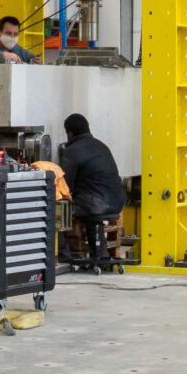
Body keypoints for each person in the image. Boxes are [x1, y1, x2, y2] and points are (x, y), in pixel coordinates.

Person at [57, 113, 126, 264]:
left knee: (56, 211)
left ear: (70, 133)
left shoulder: (72, 151)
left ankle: (62, 254)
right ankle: (99, 253)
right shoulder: (102, 146)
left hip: (96, 204)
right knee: (90, 206)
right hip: (118, 201)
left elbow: (65, 186)